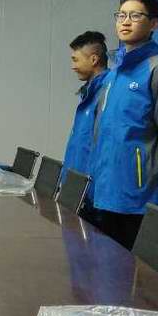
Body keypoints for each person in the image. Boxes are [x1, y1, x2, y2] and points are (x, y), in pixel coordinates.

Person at [89, 0, 158, 249]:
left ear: (154, 24)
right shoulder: (113, 73)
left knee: (131, 268)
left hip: (138, 197)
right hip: (105, 190)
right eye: (121, 15)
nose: (126, 22)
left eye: (135, 16)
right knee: (103, 262)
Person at [63, 31, 110, 200]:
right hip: (77, 188)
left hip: (92, 192)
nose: (73, 66)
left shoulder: (108, 92)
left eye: (75, 60)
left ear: (94, 59)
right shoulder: (89, 91)